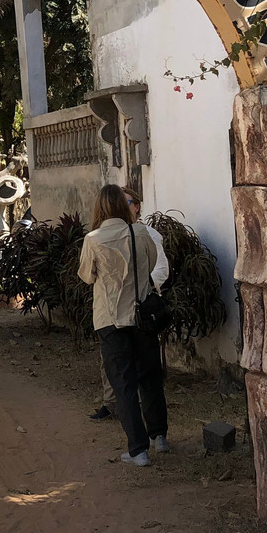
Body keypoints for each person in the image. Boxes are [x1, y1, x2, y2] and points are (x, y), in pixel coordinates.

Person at [78, 184, 168, 467]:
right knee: (150, 377)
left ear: (100, 207)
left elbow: (86, 276)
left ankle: (138, 450)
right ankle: (159, 436)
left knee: (124, 385)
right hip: (142, 317)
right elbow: (152, 265)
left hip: (110, 319)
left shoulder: (93, 239)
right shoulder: (140, 232)